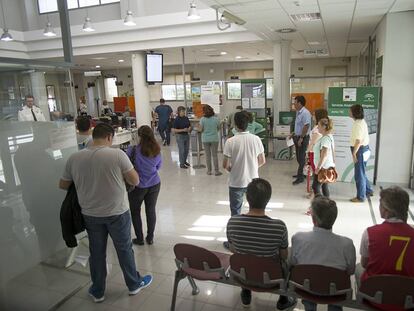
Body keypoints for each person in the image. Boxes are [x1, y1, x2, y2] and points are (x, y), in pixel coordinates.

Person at [59, 123, 152, 303]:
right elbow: (135, 179)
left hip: (90, 214)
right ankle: (133, 285)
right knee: (124, 249)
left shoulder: (74, 158)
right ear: (110, 137)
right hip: (117, 211)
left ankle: (98, 290)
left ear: (94, 136)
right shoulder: (117, 154)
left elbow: (63, 184)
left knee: (97, 252)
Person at [226, 178, 297, 310]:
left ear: (247, 198)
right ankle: (283, 300)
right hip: (271, 279)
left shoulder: (233, 222)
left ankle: (246, 293)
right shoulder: (279, 226)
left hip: (242, 276)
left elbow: (232, 249)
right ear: (268, 199)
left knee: (245, 256)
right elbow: (283, 256)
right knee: (290, 258)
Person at [291, 196, 356, 311]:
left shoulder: (298, 238)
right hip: (336, 291)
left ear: (313, 219)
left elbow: (293, 263)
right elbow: (351, 271)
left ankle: (309, 307)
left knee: (309, 281)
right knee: (337, 283)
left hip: (306, 288)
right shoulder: (347, 244)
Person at [357, 187, 414, 292]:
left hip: (376, 294)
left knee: (358, 268)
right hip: (407, 296)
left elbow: (365, 263)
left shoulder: (370, 233)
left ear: (386, 209)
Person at [223, 111, 265, 220]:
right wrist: (253, 168)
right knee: (255, 209)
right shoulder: (256, 139)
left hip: (236, 182)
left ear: (235, 125)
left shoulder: (230, 141)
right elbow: (262, 161)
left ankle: (236, 231)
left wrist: (233, 169)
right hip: (253, 181)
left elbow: (225, 165)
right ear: (248, 124)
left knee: (235, 210)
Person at [127, 125, 162, 246]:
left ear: (139, 136)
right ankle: (150, 237)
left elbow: (127, 168)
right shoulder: (156, 149)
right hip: (154, 183)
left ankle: (139, 238)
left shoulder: (132, 150)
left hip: (137, 186)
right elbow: (158, 167)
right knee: (150, 210)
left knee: (135, 211)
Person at [349, 104, 373, 202]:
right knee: (362, 172)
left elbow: (358, 141)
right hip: (364, 149)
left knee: (359, 175)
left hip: (359, 151)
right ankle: (368, 190)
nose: (349, 112)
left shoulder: (358, 124)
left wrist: (354, 154)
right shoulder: (361, 122)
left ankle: (360, 197)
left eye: (350, 111)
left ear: (354, 113)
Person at [305, 109, 329, 200]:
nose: (312, 116)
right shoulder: (324, 129)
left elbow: (312, 143)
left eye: (314, 114)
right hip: (317, 155)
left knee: (317, 181)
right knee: (323, 181)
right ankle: (325, 200)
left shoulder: (317, 129)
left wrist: (306, 152)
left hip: (314, 154)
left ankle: (317, 203)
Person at [290, 95, 311, 185]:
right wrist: (293, 133)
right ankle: (301, 173)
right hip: (297, 136)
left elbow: (306, 126)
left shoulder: (305, 113)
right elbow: (299, 126)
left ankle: (300, 177)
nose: (294, 104)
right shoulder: (298, 112)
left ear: (300, 103)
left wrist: (301, 138)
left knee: (301, 157)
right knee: (298, 157)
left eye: (295, 102)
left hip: (303, 138)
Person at [312, 118, 335, 198]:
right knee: (324, 186)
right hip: (326, 166)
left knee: (315, 186)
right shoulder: (328, 136)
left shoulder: (325, 139)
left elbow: (324, 154)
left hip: (323, 167)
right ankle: (326, 204)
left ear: (324, 127)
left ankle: (319, 206)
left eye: (319, 126)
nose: (317, 128)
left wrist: (318, 167)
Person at [198, 105, 222, 176]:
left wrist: (198, 128)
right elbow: (218, 128)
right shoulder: (216, 119)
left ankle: (209, 171)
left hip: (205, 139)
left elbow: (201, 129)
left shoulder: (202, 119)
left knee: (207, 156)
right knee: (215, 155)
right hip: (214, 138)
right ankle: (217, 171)